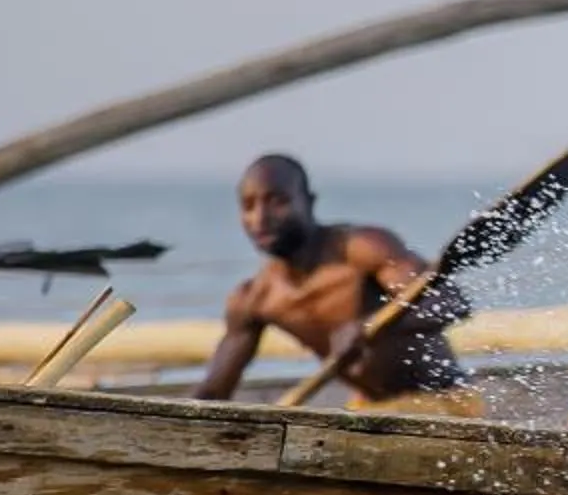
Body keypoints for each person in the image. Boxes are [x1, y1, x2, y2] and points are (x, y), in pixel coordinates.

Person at [196, 155, 477, 411]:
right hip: (368, 409)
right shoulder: (254, 299)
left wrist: (368, 326)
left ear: (309, 201)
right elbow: (211, 393)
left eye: (278, 201)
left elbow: (450, 302)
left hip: (444, 401)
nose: (261, 218)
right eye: (248, 206)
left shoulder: (362, 249)